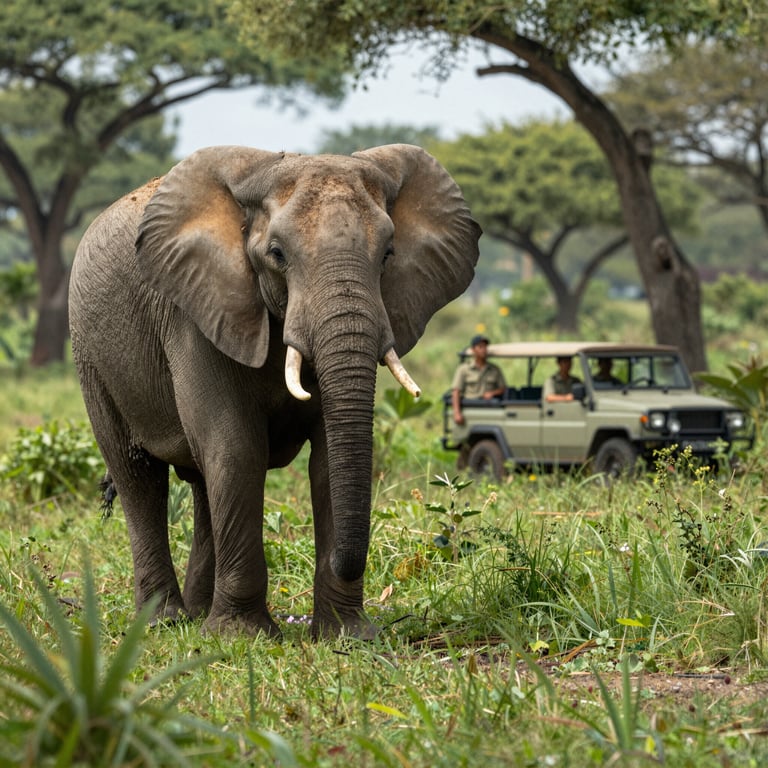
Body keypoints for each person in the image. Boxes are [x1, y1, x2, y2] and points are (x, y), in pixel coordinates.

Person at [451, 334, 506, 425]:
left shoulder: (494, 369)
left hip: (490, 408)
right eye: (480, 347)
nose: (484, 350)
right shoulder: (464, 369)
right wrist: (457, 413)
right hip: (470, 407)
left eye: (485, 347)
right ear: (473, 350)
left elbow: (503, 389)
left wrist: (492, 393)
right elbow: (456, 391)